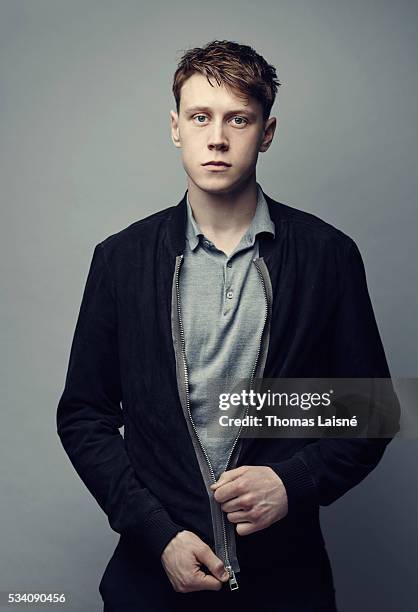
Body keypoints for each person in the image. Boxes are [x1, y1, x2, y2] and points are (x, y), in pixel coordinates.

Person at [56, 39, 399, 611]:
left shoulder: (328, 255)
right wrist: (157, 532)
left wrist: (294, 481)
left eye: (238, 119)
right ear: (176, 128)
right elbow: (84, 415)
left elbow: (376, 410)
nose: (217, 137)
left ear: (266, 132)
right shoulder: (120, 258)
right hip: (150, 579)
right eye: (200, 117)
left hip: (286, 583)